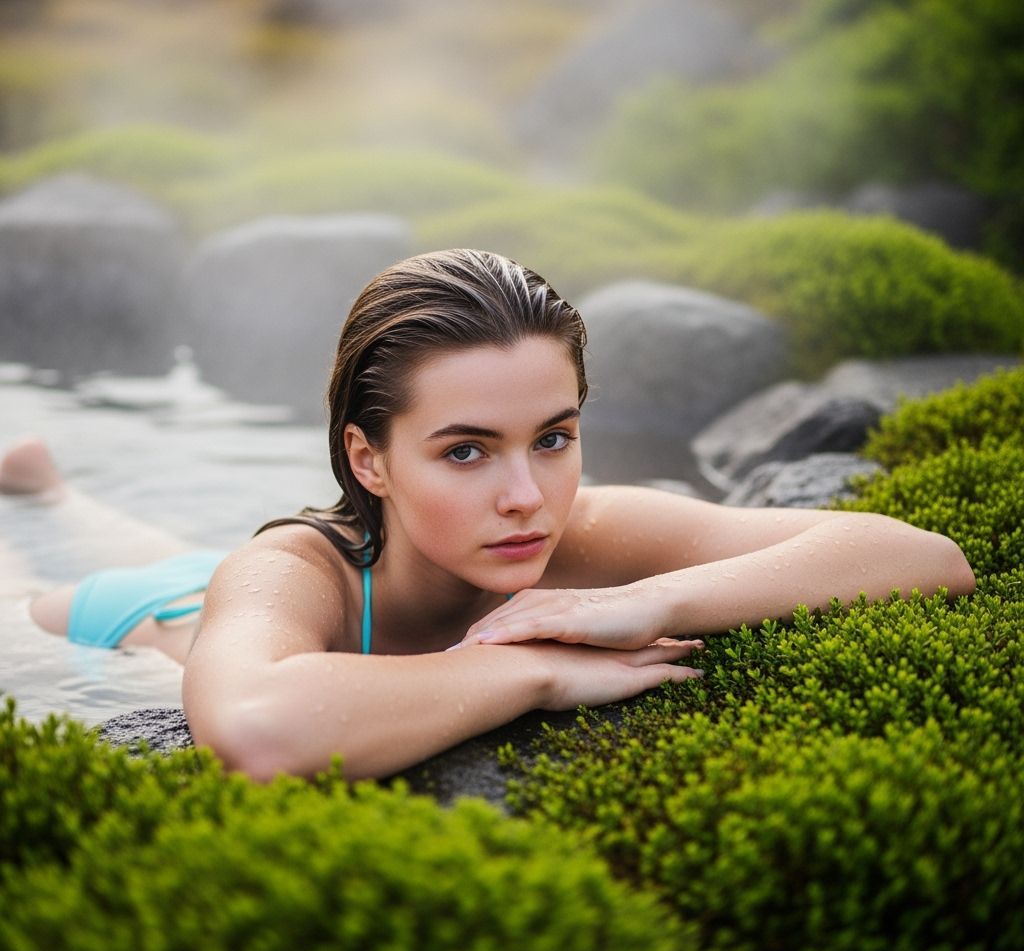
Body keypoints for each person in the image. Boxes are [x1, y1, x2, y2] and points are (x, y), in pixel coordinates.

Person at [1, 249, 976, 782]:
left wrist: (649, 602)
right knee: (52, 585)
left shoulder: (587, 529)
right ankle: (41, 505)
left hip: (217, 588)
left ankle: (46, 486)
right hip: (120, 619)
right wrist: (536, 670)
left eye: (551, 436)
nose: (526, 495)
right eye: (464, 449)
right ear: (366, 456)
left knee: (120, 529)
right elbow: (256, 731)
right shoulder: (289, 569)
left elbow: (920, 556)